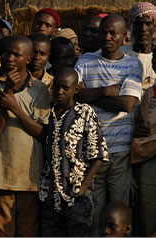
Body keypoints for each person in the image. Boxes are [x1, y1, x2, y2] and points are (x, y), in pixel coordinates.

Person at [75, 14, 143, 210]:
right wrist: (106, 91)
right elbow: (76, 95)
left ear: (124, 37)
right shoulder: (85, 61)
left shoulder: (132, 64)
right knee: (92, 212)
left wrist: (92, 95)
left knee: (118, 210)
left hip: (120, 152)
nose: (107, 37)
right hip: (90, 149)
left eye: (113, 33)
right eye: (103, 32)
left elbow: (127, 104)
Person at [0, 35, 50, 237]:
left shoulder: (40, 89)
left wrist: (14, 106)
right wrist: (9, 90)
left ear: (29, 58)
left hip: (30, 175)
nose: (10, 58)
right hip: (2, 173)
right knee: (3, 231)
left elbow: (42, 133)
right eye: (7, 53)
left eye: (16, 54)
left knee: (27, 231)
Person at [38, 67, 105, 237]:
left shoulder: (85, 112)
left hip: (76, 195)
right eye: (56, 87)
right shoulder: (49, 113)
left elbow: (98, 154)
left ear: (75, 89)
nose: (59, 92)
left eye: (65, 88)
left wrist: (83, 187)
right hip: (51, 195)